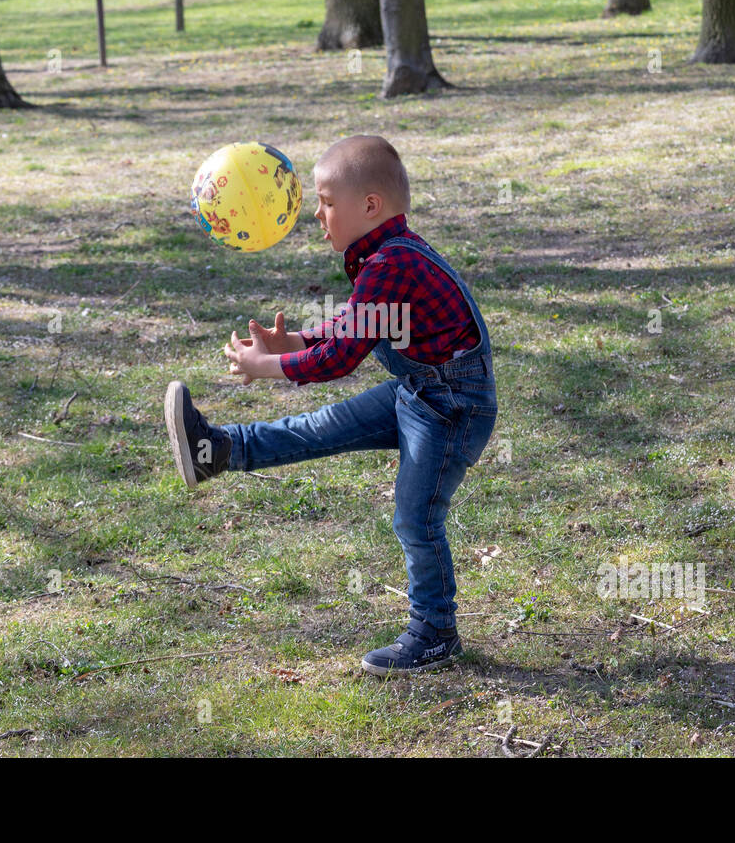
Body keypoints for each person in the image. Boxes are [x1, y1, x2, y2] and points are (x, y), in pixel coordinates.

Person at [164, 135, 497, 676]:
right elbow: (355, 329)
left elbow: (341, 358)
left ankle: (435, 632)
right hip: (423, 389)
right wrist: (292, 342)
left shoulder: (393, 263)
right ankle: (215, 450)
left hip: (451, 406)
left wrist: (265, 367)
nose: (315, 213)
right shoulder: (385, 256)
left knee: (416, 518)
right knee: (316, 429)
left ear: (370, 206)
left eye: (325, 201)